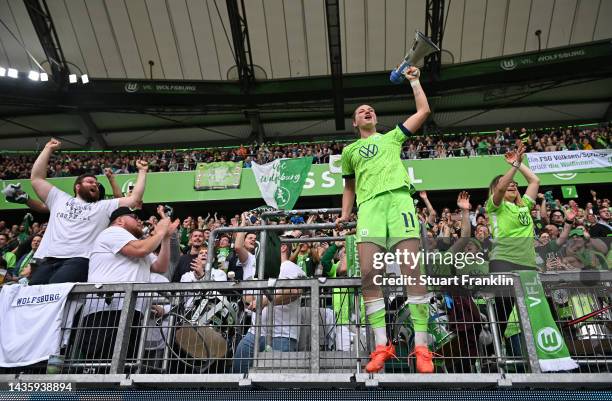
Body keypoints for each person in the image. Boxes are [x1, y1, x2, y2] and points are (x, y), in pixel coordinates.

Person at [335, 66, 434, 373]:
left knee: (411, 271)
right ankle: (382, 346)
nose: (367, 110)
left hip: (399, 202)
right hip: (370, 210)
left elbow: (424, 110)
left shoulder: (392, 137)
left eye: (371, 109)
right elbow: (349, 187)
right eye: (361, 110)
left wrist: (414, 81)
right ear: (355, 122)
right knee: (368, 275)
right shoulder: (350, 151)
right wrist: (344, 215)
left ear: (375, 118)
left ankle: (421, 347)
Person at [28, 138, 149, 285]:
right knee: (33, 294)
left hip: (79, 260)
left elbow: (134, 199)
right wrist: (47, 149)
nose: (95, 185)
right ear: (77, 187)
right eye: (90, 182)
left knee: (55, 294)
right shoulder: (58, 198)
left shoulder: (103, 206)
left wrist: (142, 171)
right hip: (48, 259)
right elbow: (36, 179)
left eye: (97, 184)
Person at [78, 207, 179, 360]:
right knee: (103, 363)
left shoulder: (135, 243)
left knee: (124, 363)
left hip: (131, 310)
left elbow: (161, 266)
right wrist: (159, 232)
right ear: (120, 220)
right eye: (134, 216)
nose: (139, 220)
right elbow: (142, 250)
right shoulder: (113, 232)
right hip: (106, 311)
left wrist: (165, 237)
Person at [232, 238, 305, 373]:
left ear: (283, 247)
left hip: (282, 335)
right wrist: (249, 299)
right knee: (239, 371)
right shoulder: (262, 270)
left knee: (276, 381)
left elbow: (295, 291)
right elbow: (250, 296)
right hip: (255, 332)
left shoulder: (288, 265)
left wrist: (264, 301)